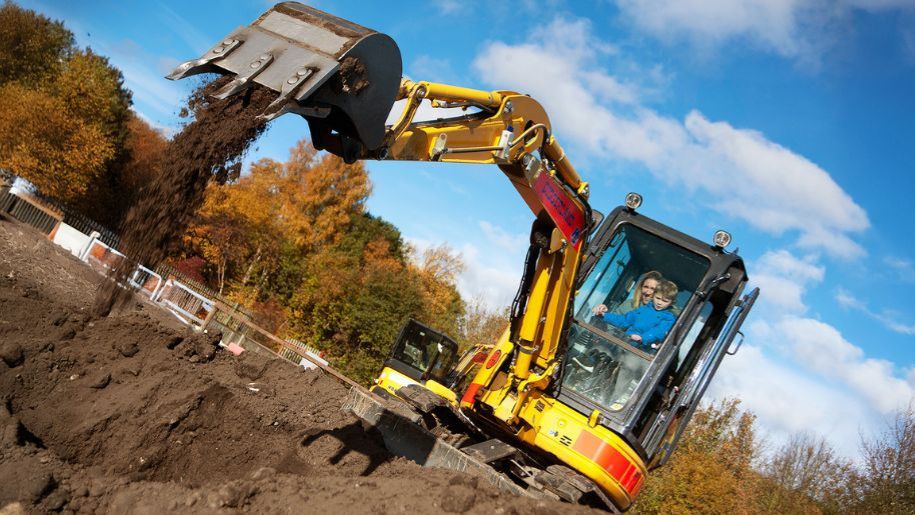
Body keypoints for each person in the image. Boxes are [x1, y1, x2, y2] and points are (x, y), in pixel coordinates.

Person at [594, 280, 679, 352]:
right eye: (658, 298)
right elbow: (624, 320)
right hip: (625, 341)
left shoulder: (669, 318)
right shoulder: (643, 309)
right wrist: (604, 315)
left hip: (642, 350)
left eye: (665, 301)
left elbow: (658, 331)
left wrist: (643, 338)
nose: (660, 302)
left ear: (671, 302)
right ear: (653, 296)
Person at [592, 270, 663, 317]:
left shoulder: (663, 315)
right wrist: (604, 313)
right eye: (646, 287)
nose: (647, 292)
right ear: (640, 288)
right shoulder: (628, 304)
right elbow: (612, 325)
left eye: (653, 289)